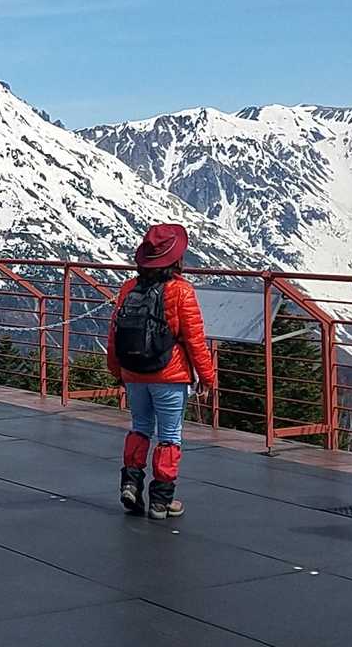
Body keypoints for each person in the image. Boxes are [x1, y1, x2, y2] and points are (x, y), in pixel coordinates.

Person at [106, 223, 217, 520]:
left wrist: (117, 370)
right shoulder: (181, 291)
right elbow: (194, 340)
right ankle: (161, 501)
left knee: (140, 427)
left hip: (133, 372)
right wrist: (207, 377)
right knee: (169, 436)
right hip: (170, 373)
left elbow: (114, 334)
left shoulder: (128, 288)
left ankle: (131, 483)